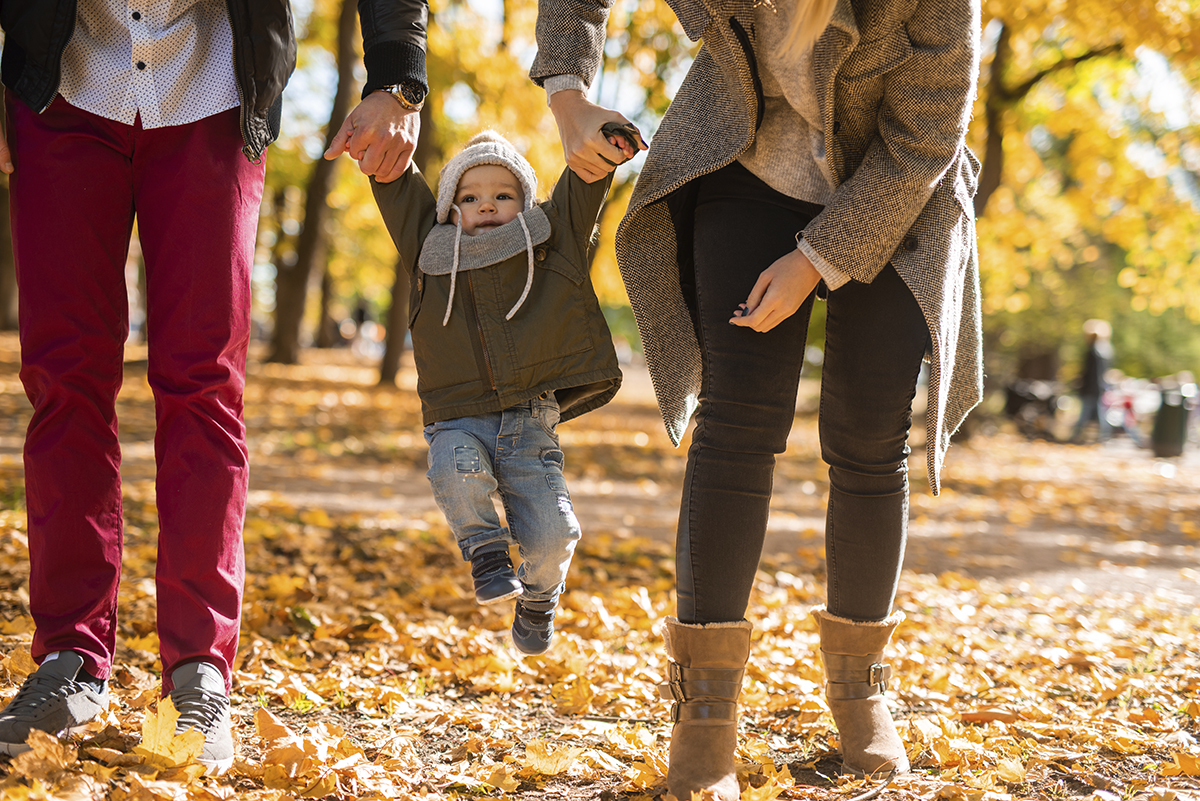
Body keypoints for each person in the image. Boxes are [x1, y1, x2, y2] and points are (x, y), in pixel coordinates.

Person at [531, 0, 982, 795]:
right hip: (752, 154)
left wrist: (814, 258)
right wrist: (569, 91)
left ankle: (860, 689)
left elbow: (924, 143)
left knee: (870, 433)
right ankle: (704, 709)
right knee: (736, 422)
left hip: (896, 176)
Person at [0, 0, 428, 772]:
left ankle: (199, 668)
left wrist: (399, 78)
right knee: (64, 381)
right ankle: (69, 656)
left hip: (214, 94)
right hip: (66, 85)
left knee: (204, 386)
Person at [370, 130, 628, 654]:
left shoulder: (552, 236)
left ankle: (538, 599)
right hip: (457, 414)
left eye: (503, 194)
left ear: (526, 202)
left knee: (556, 535)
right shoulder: (429, 247)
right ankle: (486, 552)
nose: (486, 203)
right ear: (449, 208)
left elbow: (584, 182)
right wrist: (378, 146)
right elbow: (396, 181)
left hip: (529, 420)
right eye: (469, 196)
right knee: (452, 469)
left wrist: (604, 146)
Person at [1069, 319, 1113, 444]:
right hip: (1098, 388)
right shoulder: (1106, 350)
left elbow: (1091, 373)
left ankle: (1079, 435)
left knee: (1088, 414)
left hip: (1092, 388)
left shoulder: (1095, 351)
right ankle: (1104, 437)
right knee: (1100, 414)